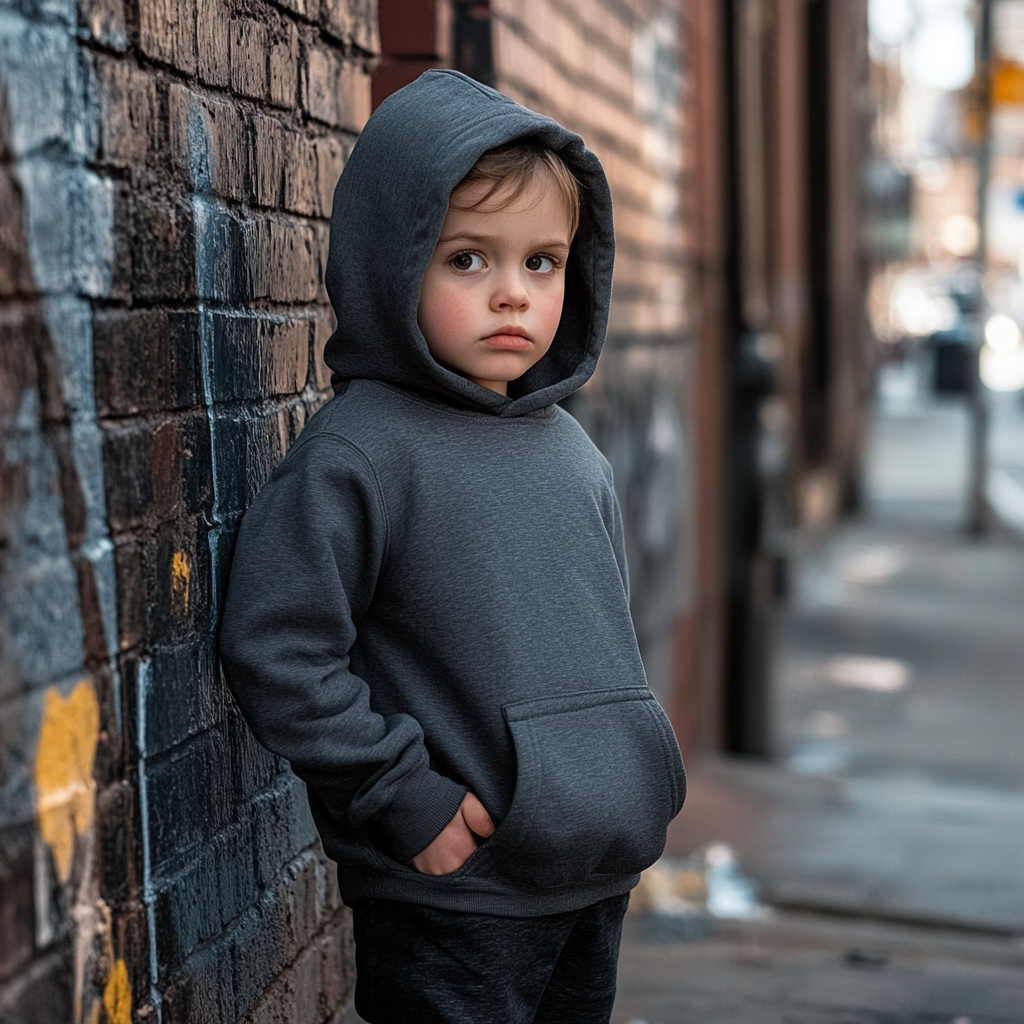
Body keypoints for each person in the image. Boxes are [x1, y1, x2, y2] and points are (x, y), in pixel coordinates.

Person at [219, 69, 686, 1024]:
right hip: (453, 891)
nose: (512, 295)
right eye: (468, 260)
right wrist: (402, 797)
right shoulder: (361, 454)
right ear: (394, 265)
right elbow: (279, 648)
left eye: (542, 263)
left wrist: (630, 780)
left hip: (591, 872)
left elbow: (601, 644)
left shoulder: (574, 452)